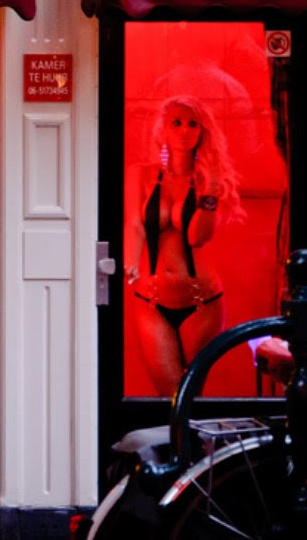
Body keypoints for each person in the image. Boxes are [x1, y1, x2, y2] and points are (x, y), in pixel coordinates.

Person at [123, 95, 244, 396]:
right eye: (176, 123)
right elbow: (134, 225)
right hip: (151, 300)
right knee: (167, 394)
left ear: (203, 132)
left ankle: (194, 445)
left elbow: (197, 237)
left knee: (189, 395)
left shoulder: (207, 181)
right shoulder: (141, 173)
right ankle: (178, 445)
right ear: (162, 130)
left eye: (193, 124)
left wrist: (212, 192)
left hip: (201, 301)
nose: (184, 131)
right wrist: (130, 265)